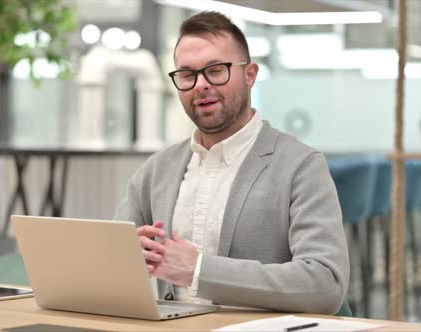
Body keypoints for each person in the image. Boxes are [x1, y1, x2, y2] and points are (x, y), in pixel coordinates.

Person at [114, 11, 349, 314]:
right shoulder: (157, 169)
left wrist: (198, 270)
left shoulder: (301, 166)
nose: (200, 85)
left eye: (215, 70)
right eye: (187, 75)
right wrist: (126, 257)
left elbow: (325, 284)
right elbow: (109, 261)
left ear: (250, 75)